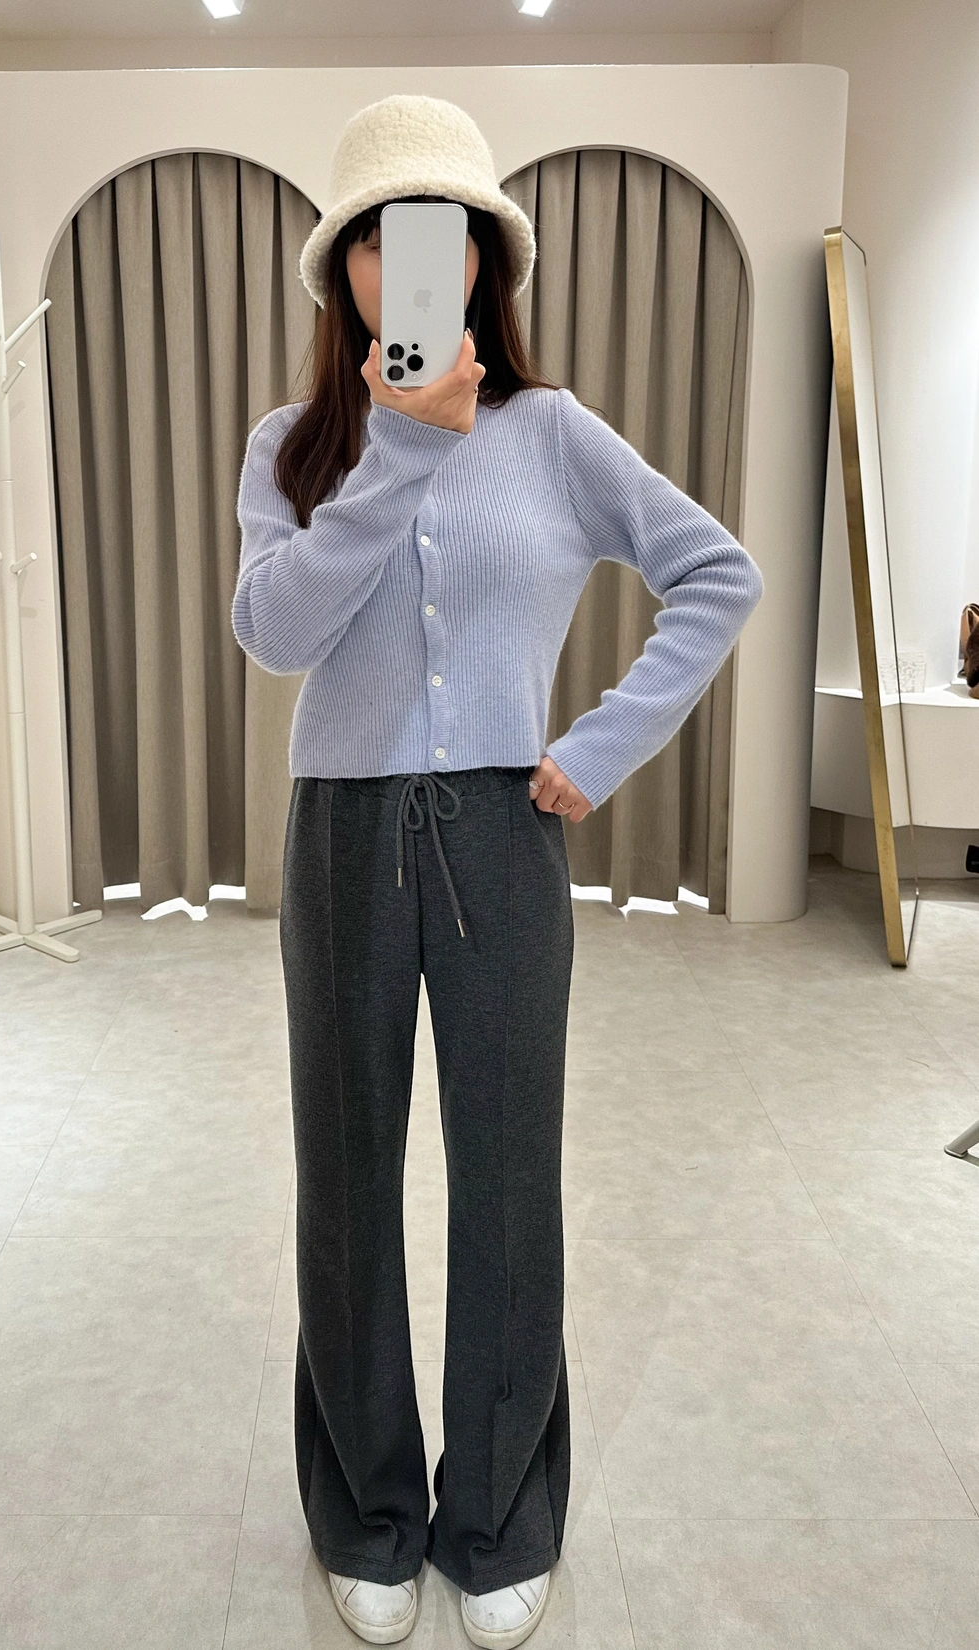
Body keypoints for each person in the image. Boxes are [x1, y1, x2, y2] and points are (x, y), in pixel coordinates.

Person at [231, 93, 763, 1649]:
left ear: (481, 264)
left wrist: (599, 743)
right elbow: (275, 633)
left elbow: (715, 571)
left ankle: (500, 1514)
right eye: (381, 243)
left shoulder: (556, 432)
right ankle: (369, 1512)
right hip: (343, 833)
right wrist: (401, 446)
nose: (409, 269)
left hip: (504, 836)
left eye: (442, 238)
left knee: (511, 1177)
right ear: (345, 273)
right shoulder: (294, 447)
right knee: (346, 1178)